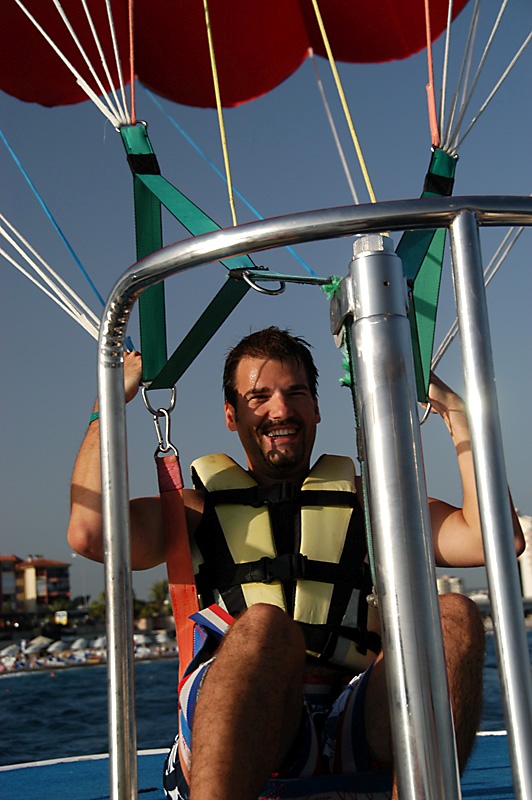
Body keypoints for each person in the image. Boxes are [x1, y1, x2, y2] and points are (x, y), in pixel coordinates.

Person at [68, 327, 524, 800]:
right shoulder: (192, 511)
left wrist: (455, 411)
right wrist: (109, 405)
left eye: (296, 393)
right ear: (231, 415)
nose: (280, 410)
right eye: (259, 397)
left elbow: (494, 539)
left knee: (454, 616)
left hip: (354, 721)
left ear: (316, 408)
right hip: (240, 724)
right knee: (264, 626)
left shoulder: (371, 504)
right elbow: (90, 533)